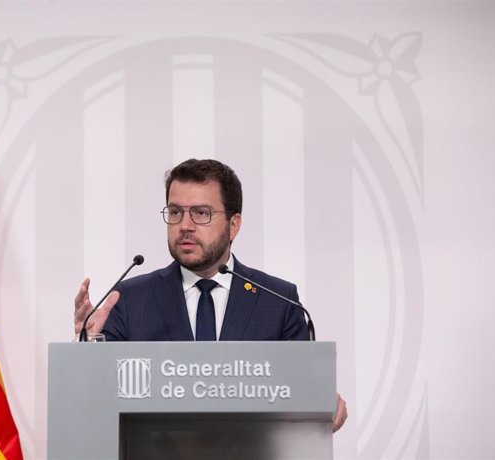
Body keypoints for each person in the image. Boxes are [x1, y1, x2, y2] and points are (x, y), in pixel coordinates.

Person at [74, 158, 347, 431]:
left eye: (201, 213)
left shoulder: (278, 301)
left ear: (234, 224)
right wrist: (86, 345)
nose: (185, 225)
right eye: (176, 212)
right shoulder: (129, 300)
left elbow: (300, 393)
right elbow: (96, 401)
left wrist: (322, 406)